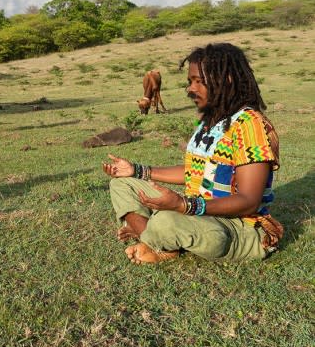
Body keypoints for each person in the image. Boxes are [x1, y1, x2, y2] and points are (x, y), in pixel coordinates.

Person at [103, 43, 283, 264]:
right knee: (122, 184)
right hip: (199, 212)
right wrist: (137, 170)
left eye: (199, 81)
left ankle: (151, 237)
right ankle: (154, 239)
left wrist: (184, 206)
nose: (191, 88)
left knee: (167, 220)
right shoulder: (210, 121)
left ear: (226, 80)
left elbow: (248, 201)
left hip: (238, 226)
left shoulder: (250, 125)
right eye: (190, 82)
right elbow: (196, 172)